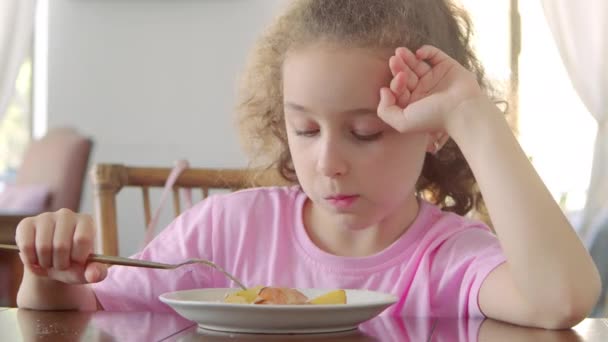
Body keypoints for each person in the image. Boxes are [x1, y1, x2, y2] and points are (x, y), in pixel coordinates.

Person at [14, 0, 600, 329]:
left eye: (366, 132)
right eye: (306, 128)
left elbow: (561, 300)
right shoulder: (224, 231)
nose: (329, 163)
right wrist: (48, 271)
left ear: (431, 134)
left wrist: (471, 114)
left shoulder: (447, 259)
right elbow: (83, 310)